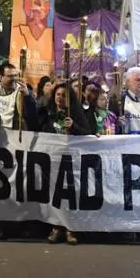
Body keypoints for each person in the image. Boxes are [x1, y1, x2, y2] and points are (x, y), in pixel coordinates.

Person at [41, 81, 91, 245]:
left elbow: (87, 133)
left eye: (64, 96)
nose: (60, 98)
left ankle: (70, 228)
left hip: (71, 159)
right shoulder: (47, 112)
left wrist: (74, 126)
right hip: (52, 158)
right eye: (58, 95)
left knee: (70, 194)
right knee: (55, 195)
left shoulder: (75, 113)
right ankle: (56, 227)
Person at [0, 62, 39, 133]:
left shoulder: (24, 91)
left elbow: (33, 115)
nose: (14, 79)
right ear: (1, 77)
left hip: (15, 133)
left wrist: (27, 96)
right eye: (10, 76)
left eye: (16, 75)